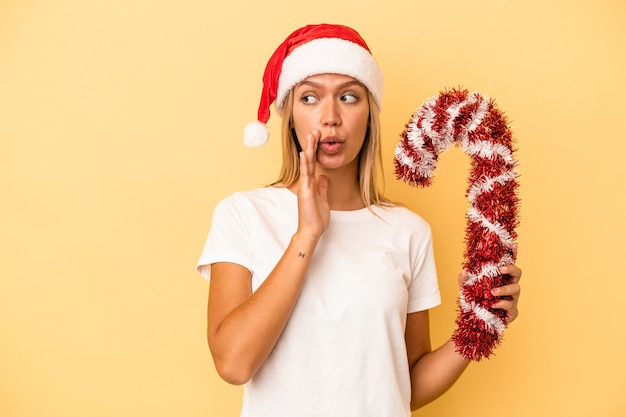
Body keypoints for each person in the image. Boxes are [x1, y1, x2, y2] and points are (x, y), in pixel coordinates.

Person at [196, 23, 522, 417]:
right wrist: (307, 235)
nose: (330, 117)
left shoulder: (408, 232)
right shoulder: (244, 215)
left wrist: (481, 322)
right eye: (310, 97)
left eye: (349, 97)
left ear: (369, 115)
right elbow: (233, 363)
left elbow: (406, 384)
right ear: (290, 117)